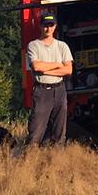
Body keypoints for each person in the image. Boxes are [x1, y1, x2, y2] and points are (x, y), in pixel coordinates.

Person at [23, 12, 73, 149]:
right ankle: (29, 160)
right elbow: (37, 67)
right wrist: (58, 64)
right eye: (45, 25)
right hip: (42, 91)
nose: (48, 29)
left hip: (60, 90)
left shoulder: (62, 46)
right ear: (40, 26)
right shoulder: (33, 45)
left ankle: (56, 162)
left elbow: (68, 70)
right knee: (35, 130)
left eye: (51, 25)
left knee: (59, 131)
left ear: (55, 26)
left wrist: (46, 70)